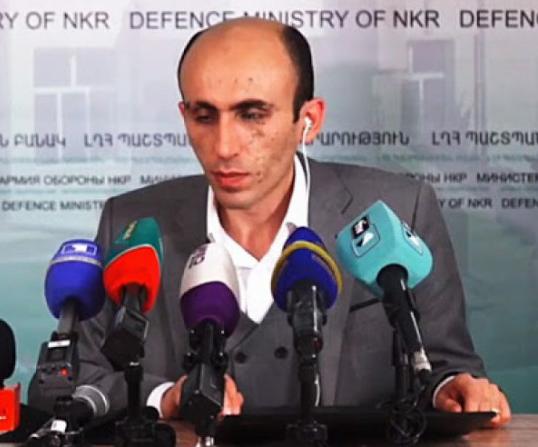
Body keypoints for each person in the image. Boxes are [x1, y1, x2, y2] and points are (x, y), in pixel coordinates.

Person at [28, 17, 511, 428]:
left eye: (252, 115)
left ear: (309, 119)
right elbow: (65, 385)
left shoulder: (399, 209)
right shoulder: (132, 224)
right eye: (204, 116)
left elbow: (446, 367)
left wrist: (455, 389)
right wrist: (164, 398)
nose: (224, 147)